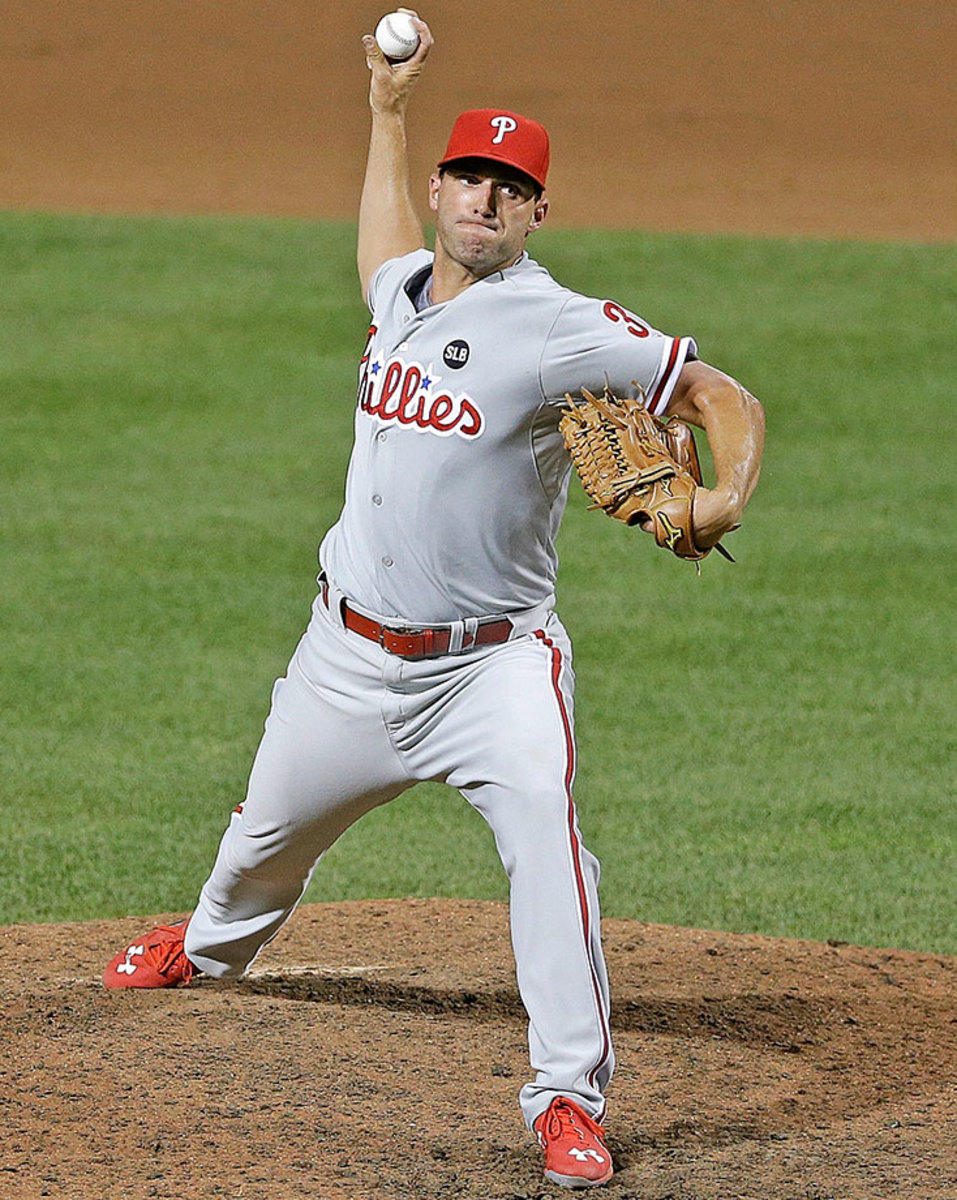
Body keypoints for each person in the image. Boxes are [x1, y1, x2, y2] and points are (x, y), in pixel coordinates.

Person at [103, 10, 765, 1190]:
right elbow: (376, 248)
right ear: (444, 188)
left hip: (492, 670)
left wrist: (721, 501)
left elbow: (718, 392)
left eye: (512, 187)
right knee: (260, 841)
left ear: (535, 213)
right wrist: (386, 110)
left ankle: (565, 1097)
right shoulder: (405, 287)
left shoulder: (560, 325)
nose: (485, 200)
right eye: (470, 177)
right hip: (345, 659)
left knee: (552, 856)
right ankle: (206, 953)